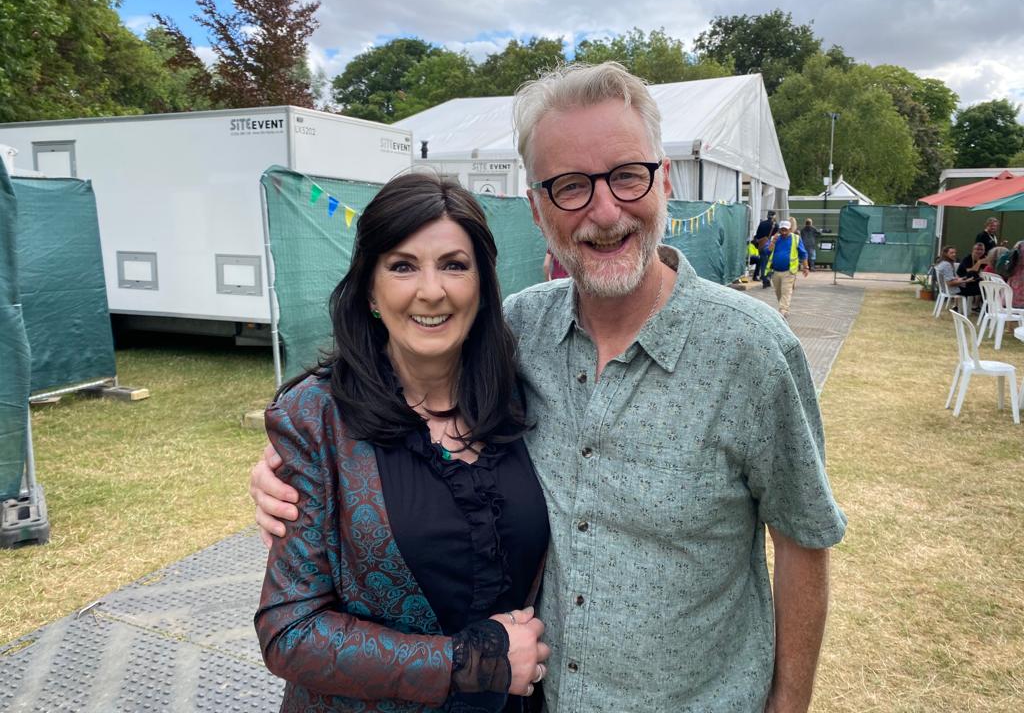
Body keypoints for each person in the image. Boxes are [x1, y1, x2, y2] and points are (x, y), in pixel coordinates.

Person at [253, 62, 846, 713]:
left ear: (666, 180)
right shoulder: (517, 335)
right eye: (569, 186)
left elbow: (802, 541)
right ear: (538, 210)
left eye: (627, 174)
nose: (605, 210)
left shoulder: (752, 351)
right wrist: (291, 466)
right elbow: (384, 384)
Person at [254, 173, 551, 713]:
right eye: (402, 265)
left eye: (454, 265)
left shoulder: (524, 397)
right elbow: (288, 630)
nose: (431, 290)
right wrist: (470, 662)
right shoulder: (316, 416)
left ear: (482, 285)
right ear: (370, 286)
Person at [765, 219, 810, 319]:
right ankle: (784, 307)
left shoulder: (796, 238)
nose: (784, 232)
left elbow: (803, 253)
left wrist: (805, 267)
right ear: (779, 230)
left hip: (789, 271)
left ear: (790, 229)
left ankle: (783, 311)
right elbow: (767, 252)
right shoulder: (774, 238)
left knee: (786, 291)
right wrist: (772, 242)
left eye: (786, 230)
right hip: (775, 271)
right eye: (782, 230)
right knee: (778, 292)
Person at [753, 210, 778, 287]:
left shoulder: (762, 223)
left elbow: (757, 235)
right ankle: (768, 277)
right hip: (771, 246)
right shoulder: (776, 225)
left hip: (762, 245)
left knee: (763, 263)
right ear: (774, 216)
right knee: (770, 263)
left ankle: (764, 278)